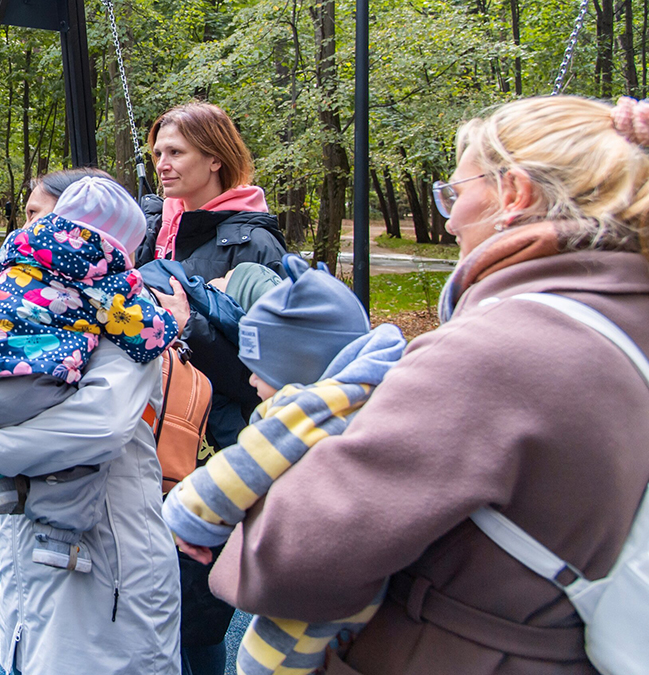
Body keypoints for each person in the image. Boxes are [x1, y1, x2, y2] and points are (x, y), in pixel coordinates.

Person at [206, 95, 649, 675]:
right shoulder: (622, 317)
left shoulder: (496, 349)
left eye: (456, 193)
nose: (449, 219)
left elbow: (300, 553)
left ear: (513, 194)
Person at [0, 169, 182, 675]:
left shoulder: (124, 315)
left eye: (42, 214)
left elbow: (96, 429)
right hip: (33, 553)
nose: (32, 227)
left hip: (107, 564)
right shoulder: (36, 295)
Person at [163, 254, 407, 675]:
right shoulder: (382, 395)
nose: (252, 381)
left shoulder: (303, 416)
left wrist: (185, 522)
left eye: (258, 369)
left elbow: (220, 485)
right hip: (368, 591)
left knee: (268, 661)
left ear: (298, 368)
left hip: (311, 591)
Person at [138, 100, 288, 674]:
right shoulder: (158, 232)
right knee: (146, 604)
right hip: (153, 431)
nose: (162, 165)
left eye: (175, 152)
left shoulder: (251, 245)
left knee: (192, 612)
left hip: (214, 445)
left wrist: (189, 327)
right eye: (157, 153)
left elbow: (267, 379)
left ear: (215, 159)